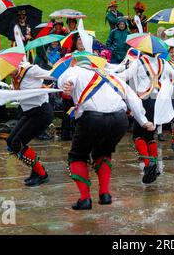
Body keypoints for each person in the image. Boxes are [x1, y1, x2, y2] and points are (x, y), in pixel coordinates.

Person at [58, 64, 154, 210]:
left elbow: (68, 79)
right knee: (103, 152)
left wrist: (68, 84)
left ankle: (85, 199)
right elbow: (132, 98)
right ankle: (105, 195)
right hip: (119, 119)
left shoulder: (75, 70)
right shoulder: (111, 75)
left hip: (92, 118)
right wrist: (144, 121)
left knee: (77, 156)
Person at [116, 48, 174, 184]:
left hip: (144, 101)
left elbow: (125, 76)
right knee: (150, 135)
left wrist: (107, 74)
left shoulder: (139, 62)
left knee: (138, 135)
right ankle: (154, 165)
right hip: (158, 101)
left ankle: (147, 164)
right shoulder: (163, 62)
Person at [6, 62, 55, 186]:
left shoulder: (30, 70)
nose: (8, 73)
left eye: (9, 69)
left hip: (42, 112)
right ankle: (36, 170)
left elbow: (51, 75)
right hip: (29, 112)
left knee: (18, 143)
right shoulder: (14, 79)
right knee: (10, 142)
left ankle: (42, 174)